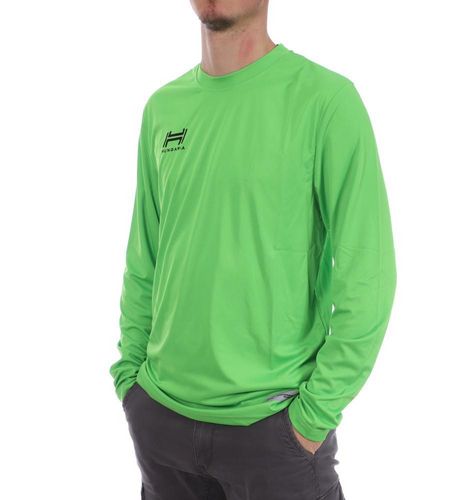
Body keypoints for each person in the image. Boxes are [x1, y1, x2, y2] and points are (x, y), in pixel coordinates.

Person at [109, 1, 397, 498]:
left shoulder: (325, 101)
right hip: (162, 424)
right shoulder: (163, 108)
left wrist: (312, 418)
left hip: (273, 432)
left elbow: (367, 274)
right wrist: (131, 382)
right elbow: (146, 258)